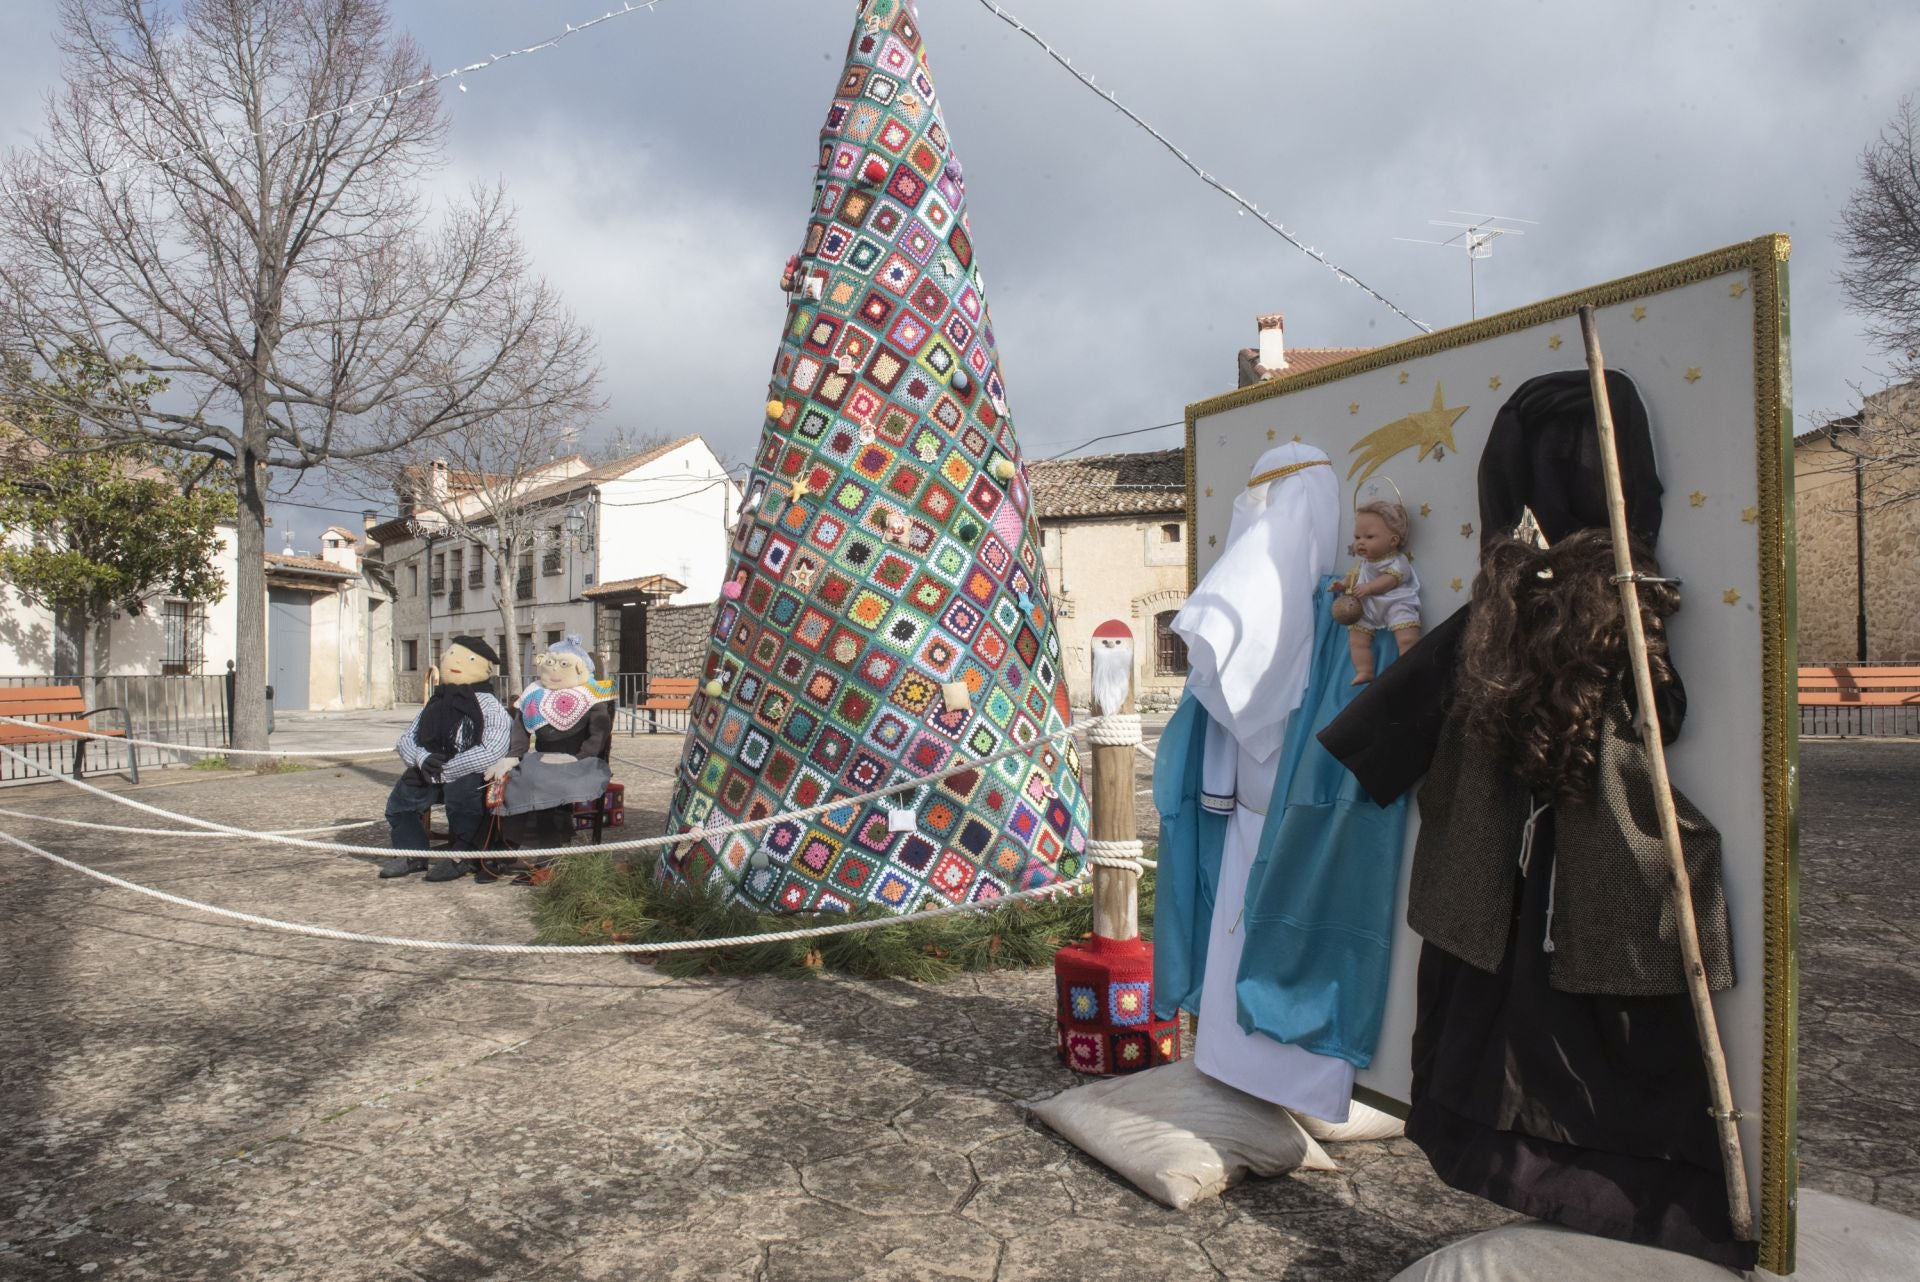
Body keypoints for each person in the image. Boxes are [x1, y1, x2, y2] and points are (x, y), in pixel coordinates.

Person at [379, 636, 511, 882]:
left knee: (464, 795)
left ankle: (463, 855)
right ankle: (412, 853)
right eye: (451, 656)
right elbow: (406, 739)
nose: (455, 663)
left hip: (466, 772)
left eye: (467, 659)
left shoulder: (491, 707)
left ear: (484, 668)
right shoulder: (435, 703)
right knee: (402, 798)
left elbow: (492, 750)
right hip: (431, 767)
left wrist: (449, 769)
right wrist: (422, 758)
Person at [1328, 497, 1421, 683]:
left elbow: (1390, 580)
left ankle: (1409, 665)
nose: (1360, 543)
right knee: (1357, 640)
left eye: (1369, 537)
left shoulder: (1398, 561)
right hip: (1368, 606)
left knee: (1407, 638)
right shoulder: (1363, 563)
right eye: (1357, 537)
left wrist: (1370, 587)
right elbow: (1352, 577)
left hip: (1395, 602)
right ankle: (1364, 670)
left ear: (1393, 540)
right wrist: (1342, 584)